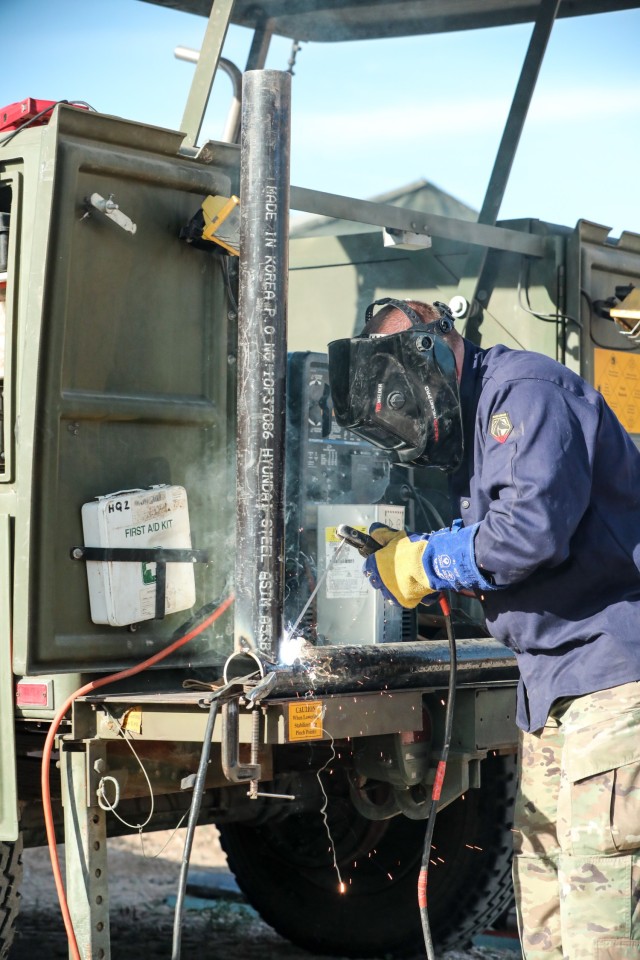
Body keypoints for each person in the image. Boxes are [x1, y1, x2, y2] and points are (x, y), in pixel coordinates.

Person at [328, 297, 640, 960]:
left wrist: (424, 561)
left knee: (600, 897)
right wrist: (416, 551)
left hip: (615, 676)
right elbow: (500, 543)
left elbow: (526, 536)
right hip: (556, 683)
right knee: (545, 888)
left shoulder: (524, 396)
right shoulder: (483, 420)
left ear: (434, 352)